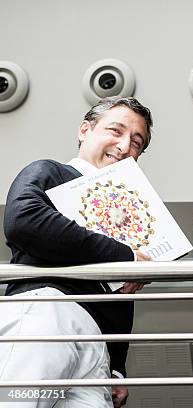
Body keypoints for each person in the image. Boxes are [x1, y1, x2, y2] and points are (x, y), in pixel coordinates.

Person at [0, 97, 154, 408]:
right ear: (85, 130)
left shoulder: (125, 209)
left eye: (137, 142)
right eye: (115, 130)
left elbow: (119, 298)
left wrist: (117, 366)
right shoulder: (50, 171)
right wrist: (125, 257)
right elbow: (24, 220)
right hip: (47, 314)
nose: (125, 146)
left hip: (97, 351)